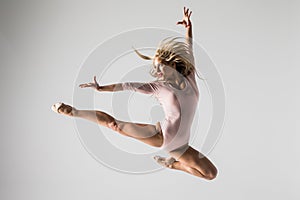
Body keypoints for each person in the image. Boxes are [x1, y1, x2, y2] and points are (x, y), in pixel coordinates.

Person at [52, 7, 218, 180]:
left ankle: (172, 164)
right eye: (155, 67)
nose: (157, 71)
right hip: (162, 136)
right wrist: (101, 88)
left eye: (159, 66)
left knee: (210, 174)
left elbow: (188, 50)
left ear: (171, 64)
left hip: (181, 145)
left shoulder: (189, 76)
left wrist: (188, 28)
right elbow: (127, 85)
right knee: (114, 125)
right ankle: (73, 111)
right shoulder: (158, 87)